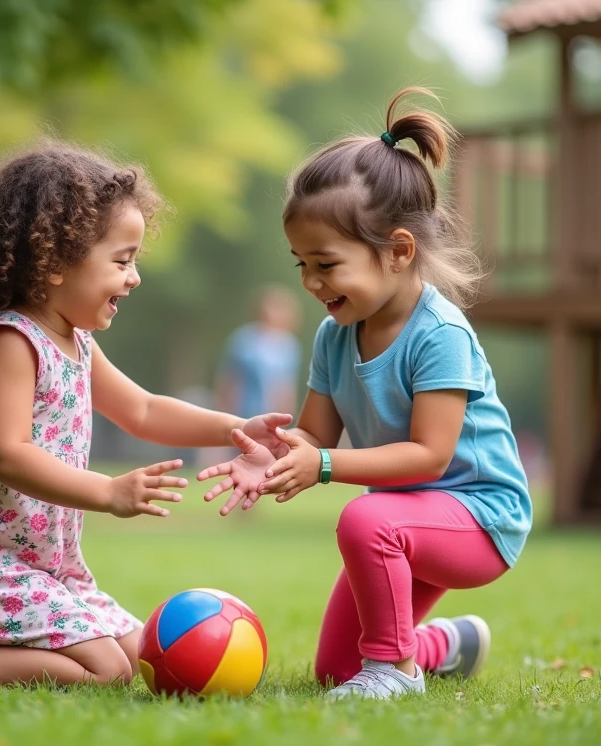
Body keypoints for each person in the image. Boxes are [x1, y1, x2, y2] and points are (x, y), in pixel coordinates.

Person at [0, 141, 291, 688]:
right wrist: (108, 492)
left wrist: (235, 428)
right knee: (107, 672)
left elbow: (143, 410)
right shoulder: (12, 343)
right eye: (122, 261)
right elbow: (8, 455)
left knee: (143, 653)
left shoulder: (76, 342)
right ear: (53, 264)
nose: (134, 277)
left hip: (43, 570)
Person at [197, 88, 533, 700]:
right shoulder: (335, 334)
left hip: (480, 518)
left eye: (326, 264)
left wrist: (324, 466)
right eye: (300, 264)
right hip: (405, 519)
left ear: (398, 252)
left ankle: (395, 672)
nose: (310, 282)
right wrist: (275, 454)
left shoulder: (440, 335)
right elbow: (315, 434)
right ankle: (443, 646)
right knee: (335, 669)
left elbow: (429, 457)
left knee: (365, 518)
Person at [216, 284, 302, 419]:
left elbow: (287, 386)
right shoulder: (244, 338)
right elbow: (230, 378)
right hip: (241, 412)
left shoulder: (289, 345)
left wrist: (286, 416)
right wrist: (225, 411)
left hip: (271, 414)